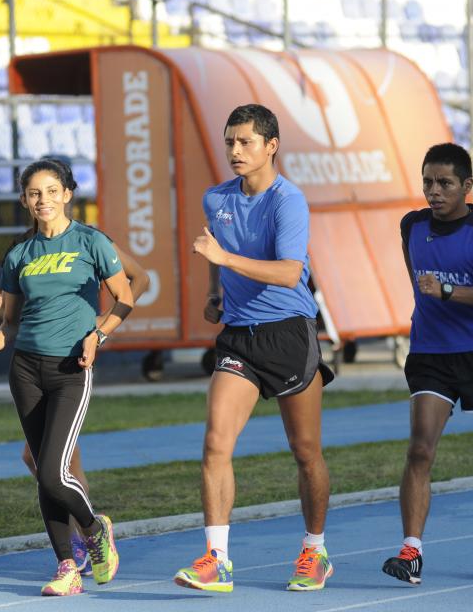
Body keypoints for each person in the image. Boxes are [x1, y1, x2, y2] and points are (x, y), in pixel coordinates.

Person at [173, 104, 335, 594]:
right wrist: (214, 289)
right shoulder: (215, 198)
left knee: (305, 452)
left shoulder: (289, 201)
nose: (235, 151)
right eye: (229, 142)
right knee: (215, 442)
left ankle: (315, 549)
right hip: (239, 337)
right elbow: (212, 245)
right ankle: (217, 558)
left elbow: (290, 272)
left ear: (271, 145)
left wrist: (225, 259)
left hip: (288, 332)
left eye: (245, 142)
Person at [0, 158, 134, 596]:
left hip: (71, 368)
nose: (42, 200)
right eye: (33, 193)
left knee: (50, 472)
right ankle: (67, 565)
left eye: (51, 191)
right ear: (25, 200)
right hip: (25, 369)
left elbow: (125, 298)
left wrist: (97, 335)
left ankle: (94, 530)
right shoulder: (19, 253)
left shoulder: (91, 242)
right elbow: (7, 320)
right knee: (46, 471)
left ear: (67, 194)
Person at [382, 143, 473, 585]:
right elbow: (416, 278)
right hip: (430, 354)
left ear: (466, 186)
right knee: (420, 448)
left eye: (444, 183)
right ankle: (411, 551)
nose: (434, 191)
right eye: (427, 182)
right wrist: (430, 304)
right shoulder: (412, 226)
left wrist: (447, 292)